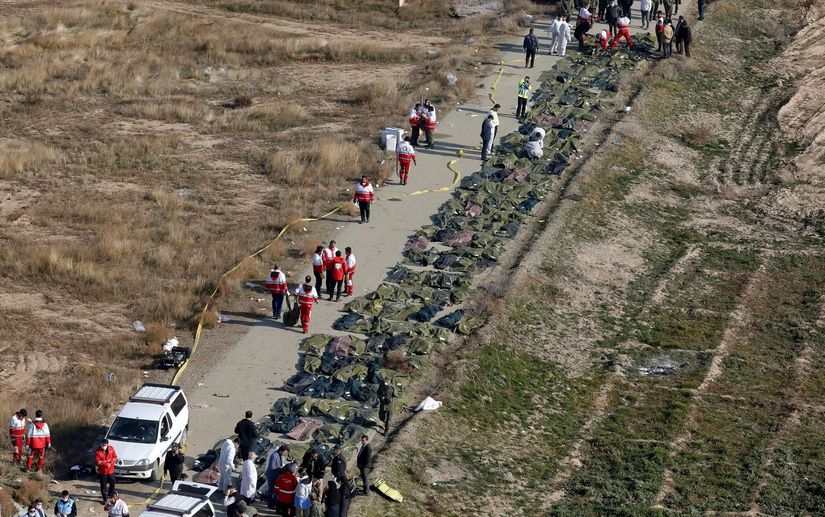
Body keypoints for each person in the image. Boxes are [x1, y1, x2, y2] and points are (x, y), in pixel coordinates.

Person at [95, 439, 117, 504]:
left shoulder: (111, 449)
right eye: (102, 445)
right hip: (103, 472)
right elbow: (97, 461)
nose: (103, 446)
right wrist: (105, 464)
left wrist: (111, 463)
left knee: (113, 483)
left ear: (107, 445)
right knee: (103, 486)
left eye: (105, 445)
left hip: (111, 470)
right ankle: (105, 499)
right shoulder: (98, 451)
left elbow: (115, 457)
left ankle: (110, 494)